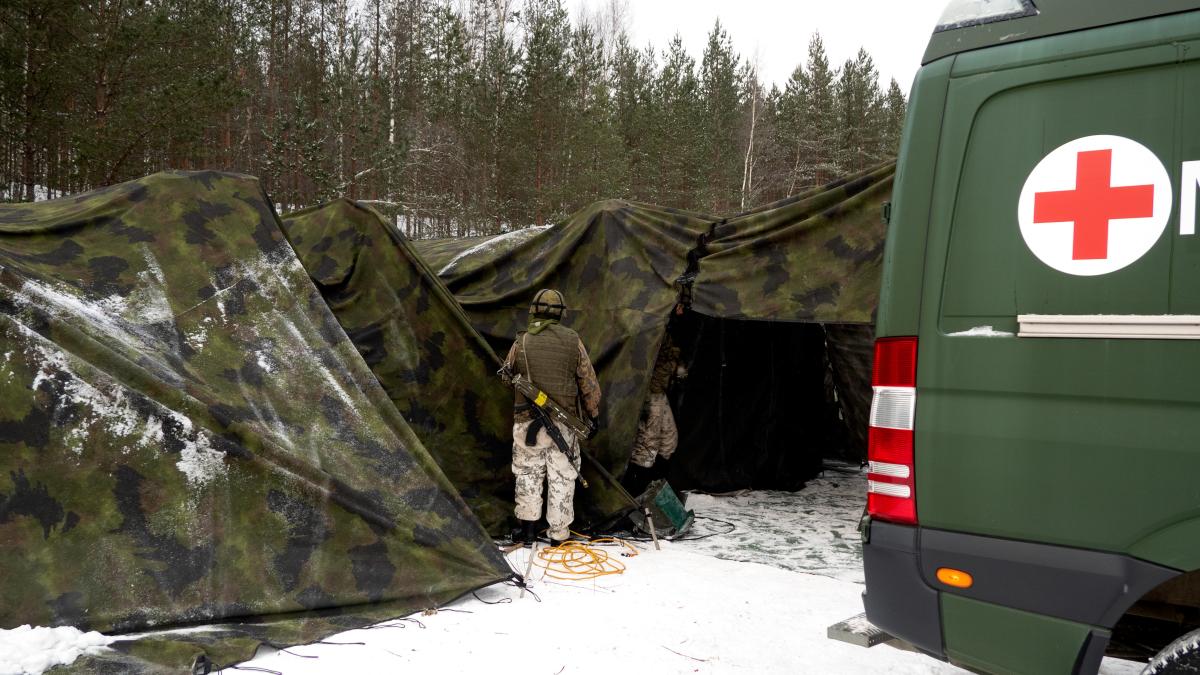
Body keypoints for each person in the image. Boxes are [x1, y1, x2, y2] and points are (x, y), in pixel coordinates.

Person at [503, 289, 601, 546]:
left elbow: (506, 374)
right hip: (564, 422)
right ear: (560, 313)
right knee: (562, 476)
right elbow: (588, 383)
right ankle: (558, 536)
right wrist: (593, 414)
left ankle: (527, 532)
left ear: (534, 310)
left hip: (526, 422)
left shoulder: (521, 341)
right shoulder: (573, 341)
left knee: (527, 474)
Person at [623, 331, 686, 496]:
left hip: (659, 391)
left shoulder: (666, 329)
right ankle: (635, 495)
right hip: (648, 391)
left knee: (669, 441)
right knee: (647, 448)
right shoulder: (654, 327)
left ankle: (653, 489)